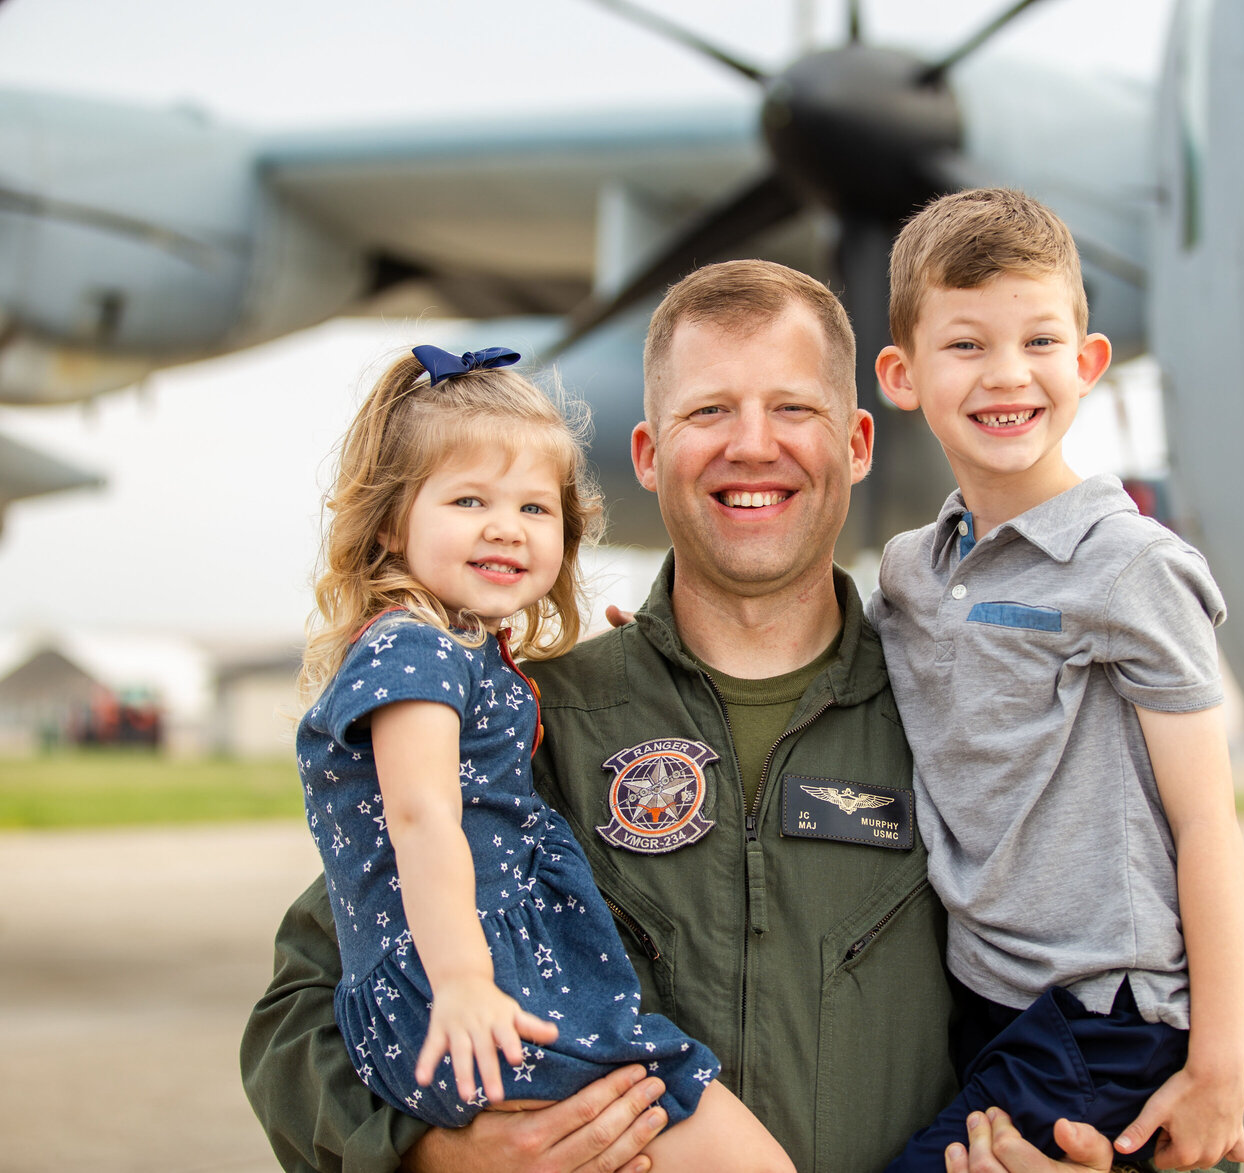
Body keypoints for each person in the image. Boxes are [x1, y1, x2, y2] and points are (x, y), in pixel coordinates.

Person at [244, 263, 974, 1173]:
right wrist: (436, 1155)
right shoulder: (523, 720)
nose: (752, 445)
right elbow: (297, 1015)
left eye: (794, 409)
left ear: (859, 442)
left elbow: (1098, 977)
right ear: (646, 454)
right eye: (707, 412)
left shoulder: (957, 716)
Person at [288, 342, 790, 1171]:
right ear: (388, 523)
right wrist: (462, 985)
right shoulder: (412, 655)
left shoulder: (462, 650)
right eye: (469, 499)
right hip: (480, 991)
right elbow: (421, 820)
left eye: (533, 508)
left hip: (488, 981)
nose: (504, 527)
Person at [869, 189, 1244, 1172]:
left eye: (1039, 342)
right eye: (965, 346)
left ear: (1086, 364)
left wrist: (1219, 1070)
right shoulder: (914, 569)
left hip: (1101, 1017)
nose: (1007, 375)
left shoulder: (1130, 566)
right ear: (902, 375)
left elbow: (1208, 822)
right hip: (981, 997)